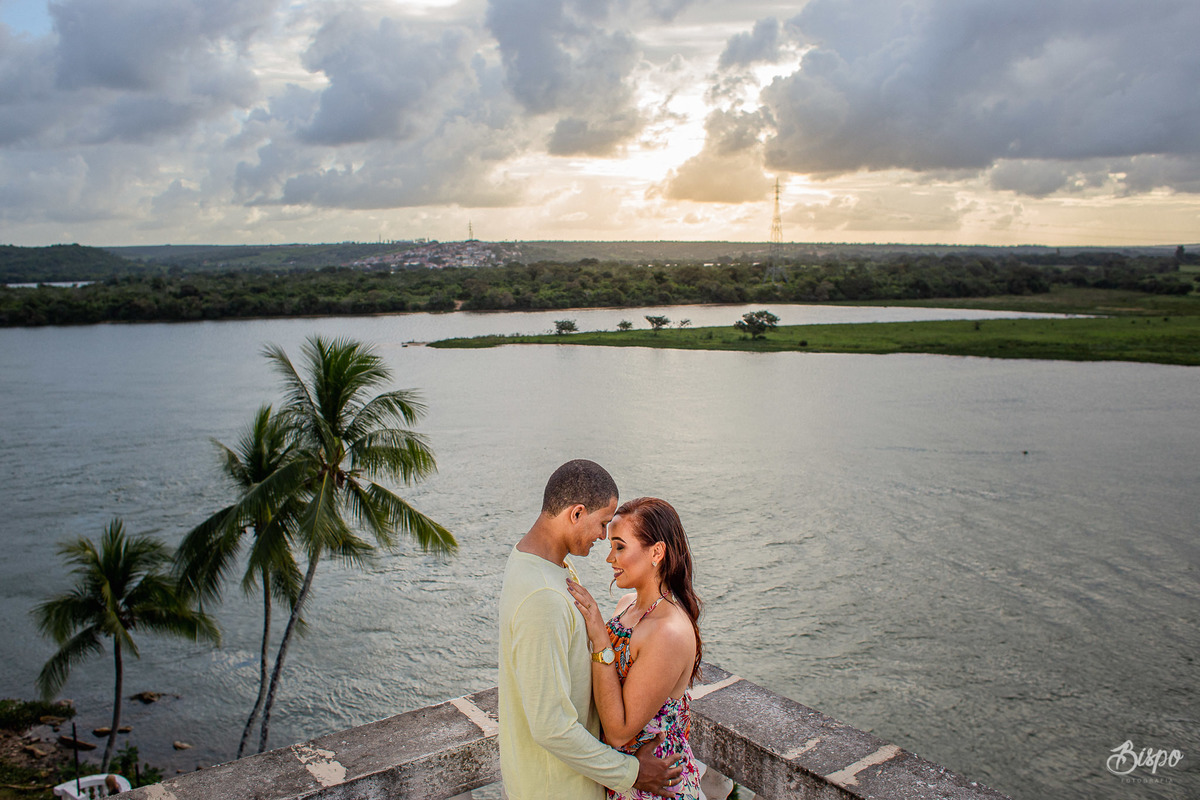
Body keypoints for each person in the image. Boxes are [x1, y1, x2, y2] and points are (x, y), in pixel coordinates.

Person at [499, 460, 684, 800]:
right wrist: (631, 772)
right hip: (558, 790)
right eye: (601, 524)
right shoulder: (544, 596)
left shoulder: (540, 565)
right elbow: (551, 726)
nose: (602, 536)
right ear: (576, 513)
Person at [566, 497, 703, 800]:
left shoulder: (668, 631)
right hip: (624, 780)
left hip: (658, 788)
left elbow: (619, 732)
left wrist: (600, 637)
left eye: (619, 547)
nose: (609, 559)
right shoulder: (626, 605)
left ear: (656, 552)